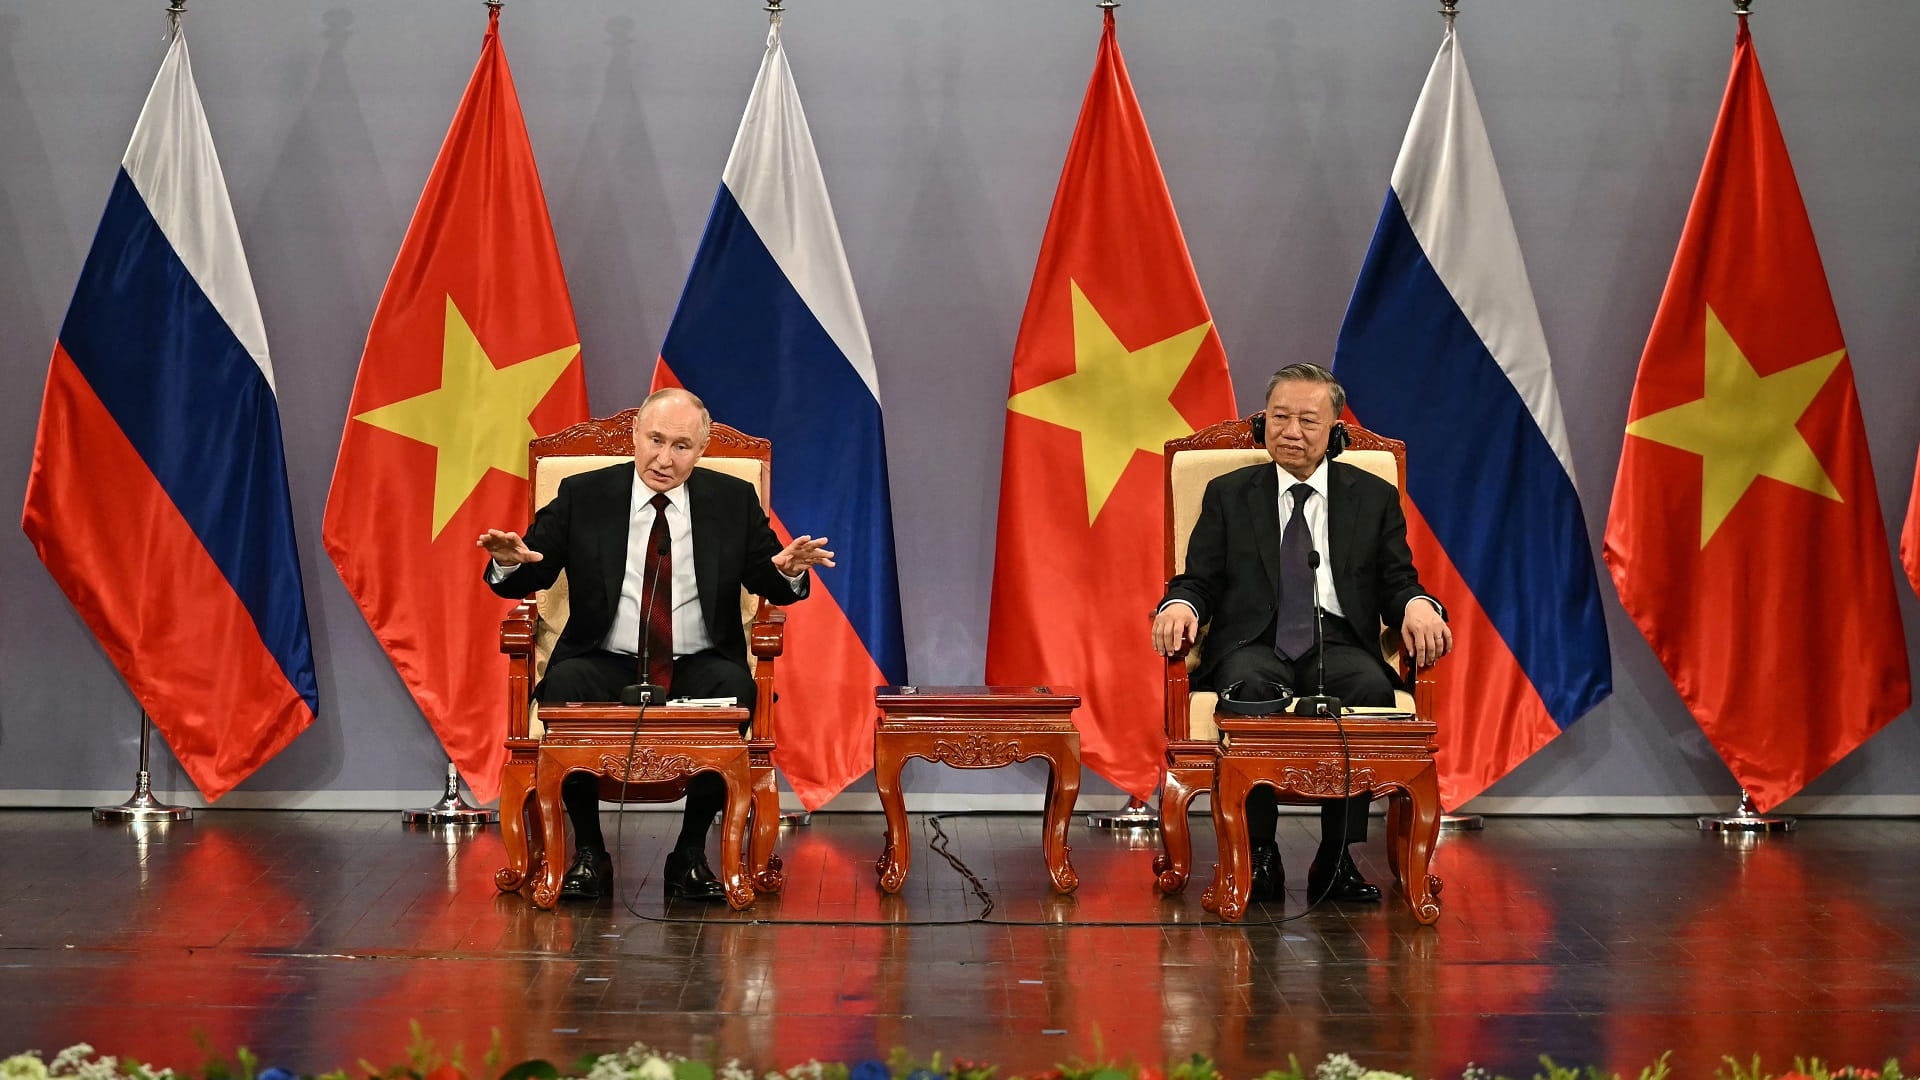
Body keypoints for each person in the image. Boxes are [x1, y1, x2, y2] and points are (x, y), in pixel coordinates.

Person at [479, 388, 833, 902]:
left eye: (682, 446)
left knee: (736, 690)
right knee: (563, 686)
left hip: (697, 662)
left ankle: (689, 856)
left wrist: (791, 572)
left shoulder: (732, 500)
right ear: (635, 436)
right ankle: (589, 854)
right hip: (604, 658)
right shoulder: (585, 494)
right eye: (656, 440)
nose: (665, 459)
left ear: (702, 449)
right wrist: (509, 561)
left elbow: (769, 576)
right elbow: (535, 566)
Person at [1151, 364, 1451, 904]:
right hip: (1253, 641)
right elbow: (1199, 579)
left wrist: (1417, 605)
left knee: (1370, 689)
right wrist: (1179, 604)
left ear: (1334, 429)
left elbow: (1397, 580)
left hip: (1338, 639)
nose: (1291, 432)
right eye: (1279, 417)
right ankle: (1259, 852)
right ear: (1262, 423)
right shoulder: (1228, 494)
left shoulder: (1372, 496)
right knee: (1248, 691)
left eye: (1308, 421)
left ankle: (1336, 858)